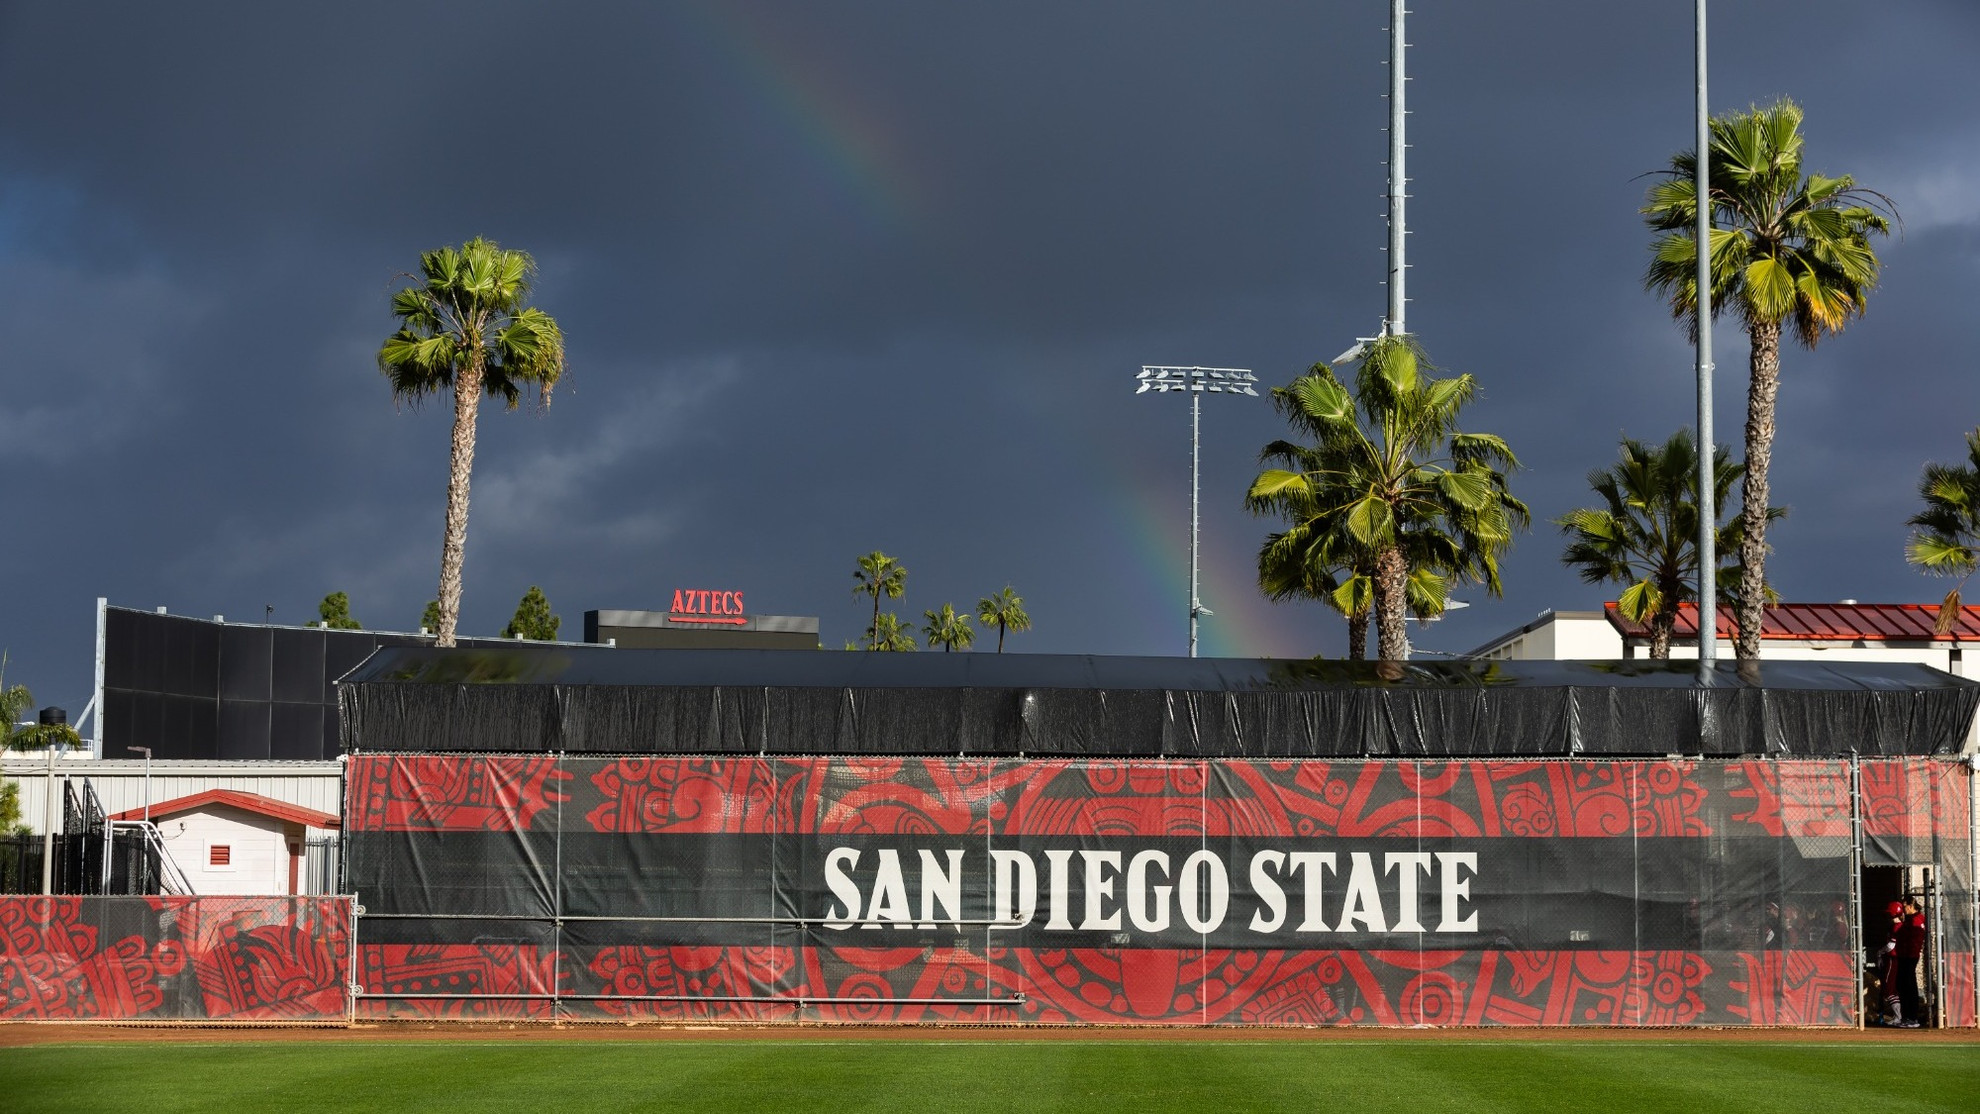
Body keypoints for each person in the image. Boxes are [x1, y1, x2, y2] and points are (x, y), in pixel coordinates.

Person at [1893, 896, 1928, 1028]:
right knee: (1902, 984)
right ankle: (1906, 1016)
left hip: (1909, 956)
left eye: (1904, 906)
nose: (1903, 909)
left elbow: (1908, 938)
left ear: (1910, 906)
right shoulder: (1912, 920)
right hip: (1905, 955)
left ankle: (1912, 1018)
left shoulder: (1916, 920)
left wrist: (1899, 926)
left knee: (1909, 985)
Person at [1876, 900, 1905, 1026]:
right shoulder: (1900, 926)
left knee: (1889, 989)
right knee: (1892, 988)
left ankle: (1898, 1017)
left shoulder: (1896, 926)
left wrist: (1880, 952)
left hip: (1893, 959)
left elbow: (1891, 945)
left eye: (1889, 914)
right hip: (1898, 959)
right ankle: (1898, 1016)